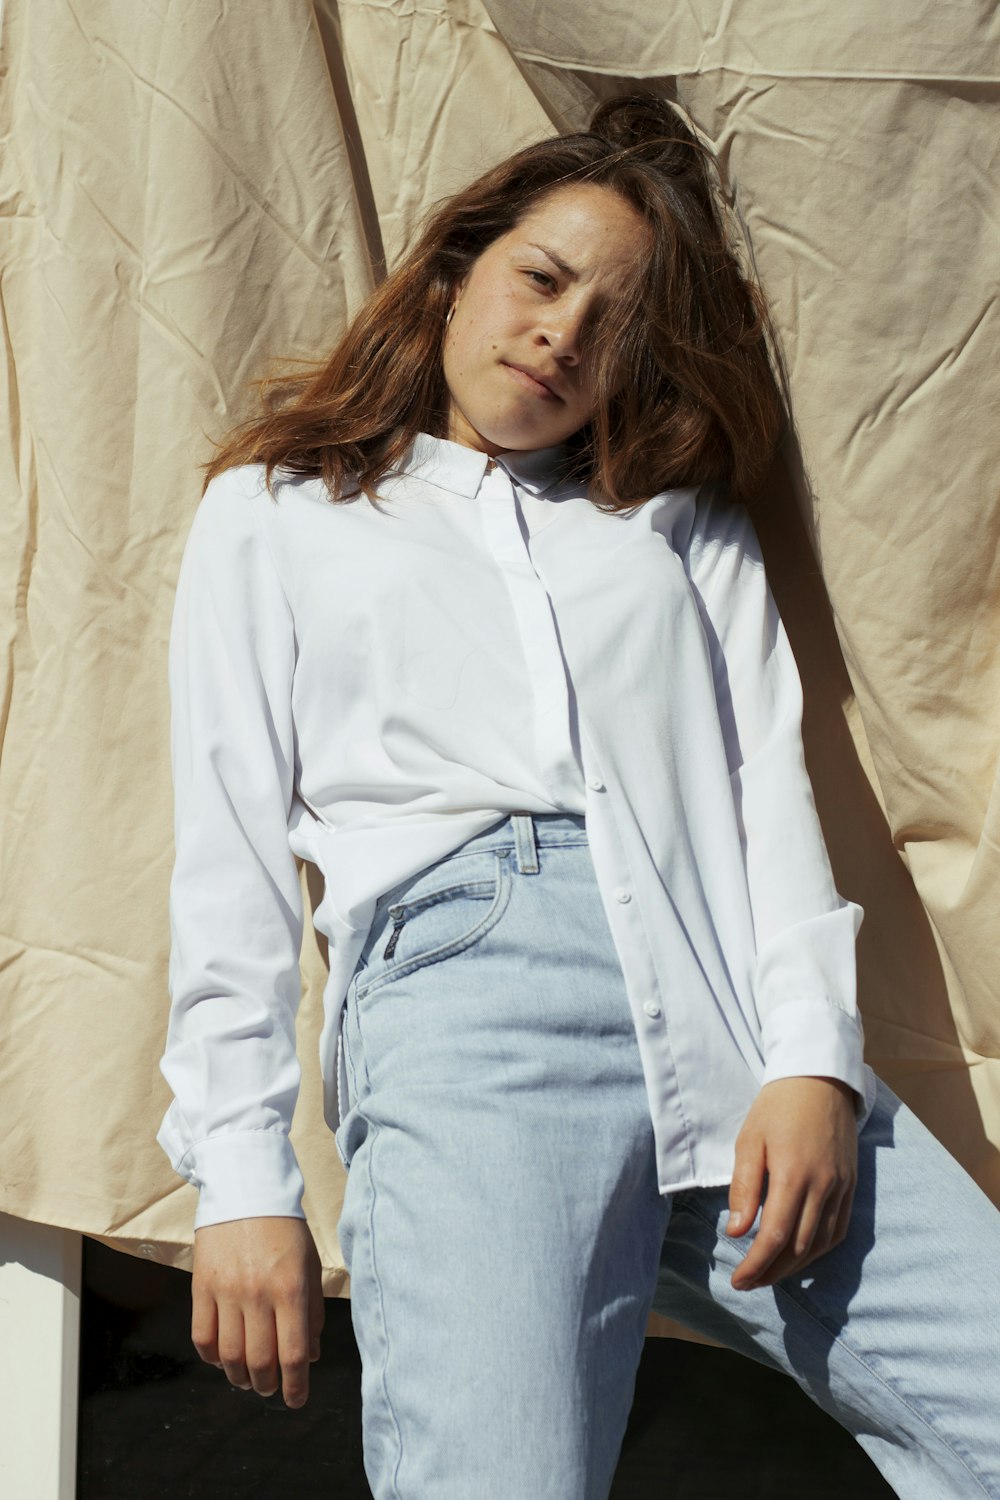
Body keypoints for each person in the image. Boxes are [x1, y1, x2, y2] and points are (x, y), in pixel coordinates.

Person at [157, 92, 1000, 1499]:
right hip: (472, 1003)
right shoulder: (281, 510)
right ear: (453, 278)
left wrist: (809, 1059)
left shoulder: (678, 531)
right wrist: (243, 1180)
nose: (560, 334)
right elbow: (229, 852)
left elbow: (761, 803)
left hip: (728, 1000)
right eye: (542, 281)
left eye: (615, 325)